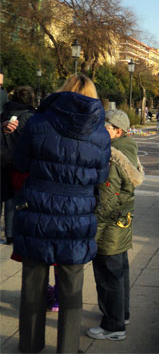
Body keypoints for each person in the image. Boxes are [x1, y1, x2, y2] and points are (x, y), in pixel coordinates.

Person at [13, 74, 111, 353]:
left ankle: (30, 344)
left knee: (33, 281)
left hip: (37, 207)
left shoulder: (38, 122)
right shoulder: (100, 133)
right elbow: (101, 176)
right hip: (77, 213)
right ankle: (67, 348)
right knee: (71, 285)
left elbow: (20, 162)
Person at [87, 109, 144, 341]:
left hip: (109, 225)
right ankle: (122, 314)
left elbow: (107, 197)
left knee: (108, 275)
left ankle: (113, 325)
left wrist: (94, 224)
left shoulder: (112, 156)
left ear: (117, 131)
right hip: (122, 222)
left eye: (105, 127)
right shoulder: (129, 149)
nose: (100, 130)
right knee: (120, 272)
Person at [0, 86, 36, 245]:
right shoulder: (31, 117)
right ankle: (10, 234)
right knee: (13, 200)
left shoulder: (4, 113)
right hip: (19, 163)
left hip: (2, 160)